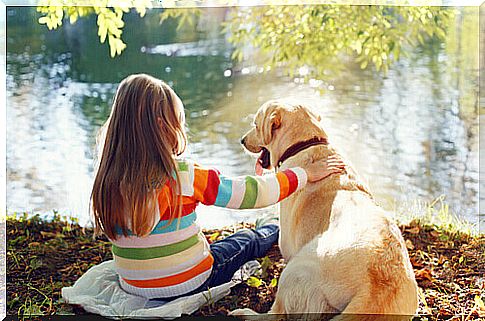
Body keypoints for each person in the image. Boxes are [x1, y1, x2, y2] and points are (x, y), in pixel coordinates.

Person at [90, 73, 345, 300]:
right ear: (161, 126)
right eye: (178, 121)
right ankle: (270, 227)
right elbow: (250, 194)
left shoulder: (107, 179)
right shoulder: (184, 176)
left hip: (133, 285)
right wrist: (303, 173)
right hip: (190, 282)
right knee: (246, 240)